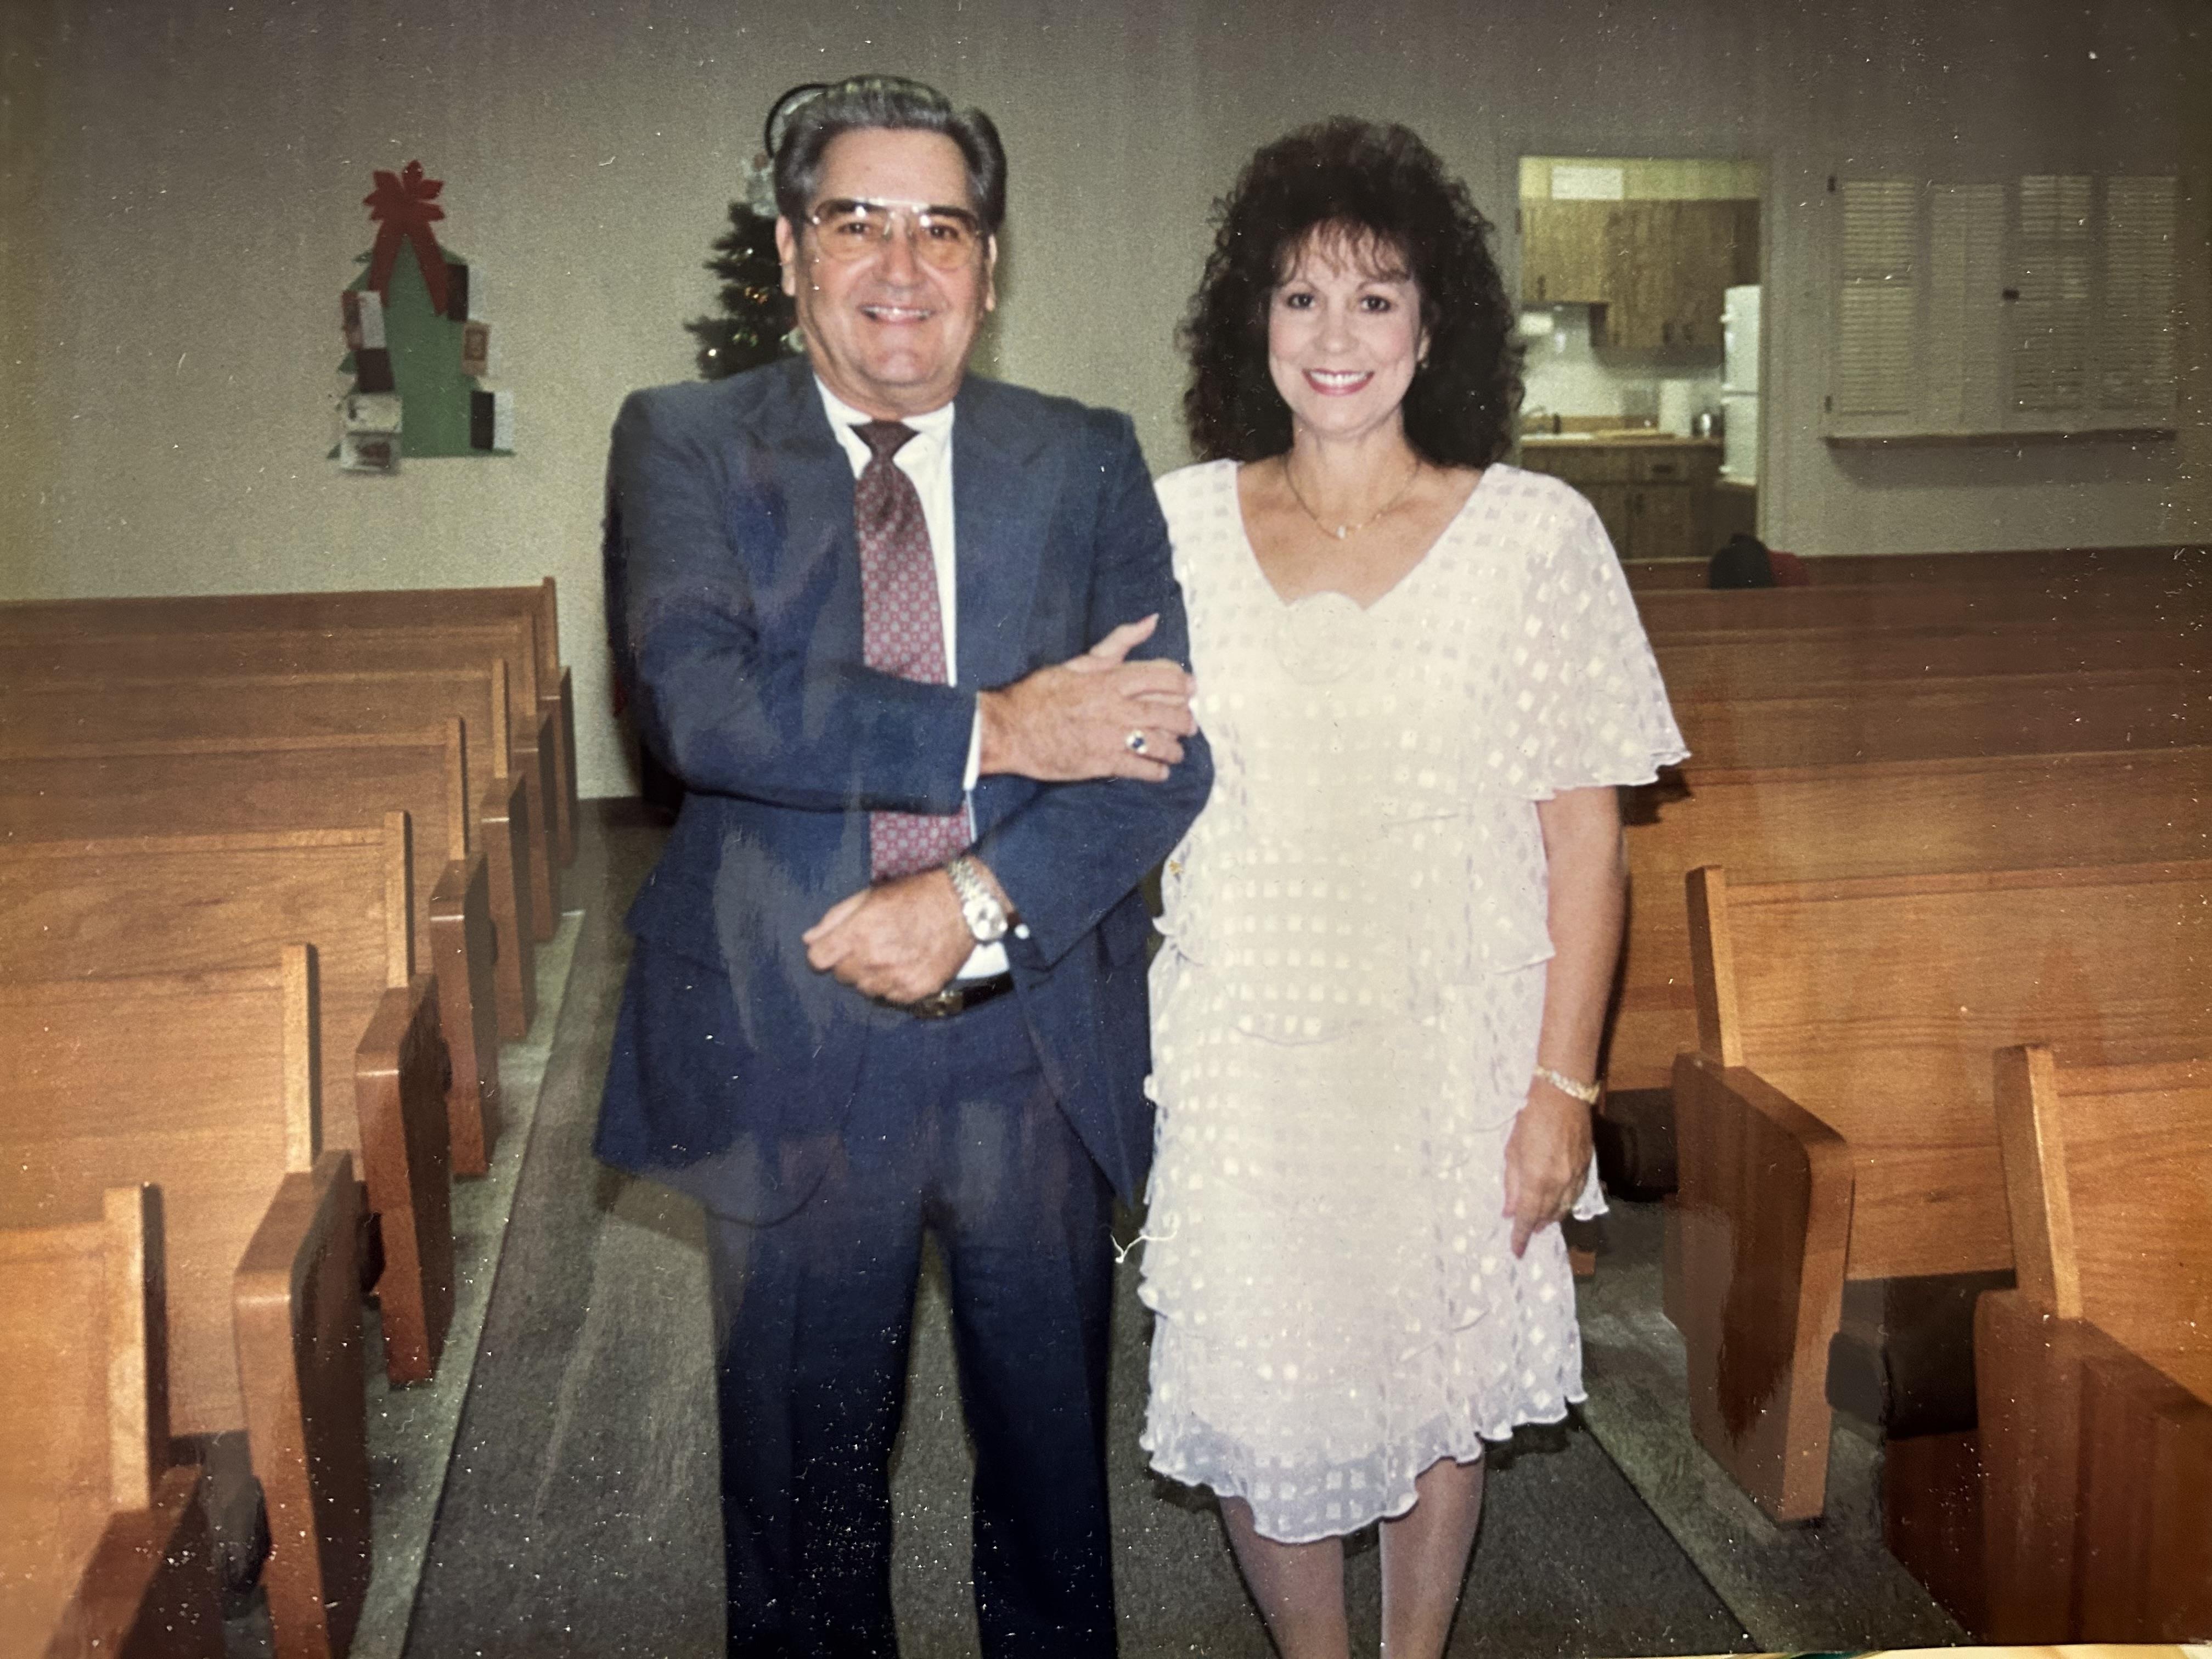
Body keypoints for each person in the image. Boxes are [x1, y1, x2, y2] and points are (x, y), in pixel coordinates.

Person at [595, 75, 1212, 1658]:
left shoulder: (1081, 459)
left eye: (944, 227)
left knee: (1053, 1502)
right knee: (806, 1509)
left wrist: (972, 907)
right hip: (794, 1032)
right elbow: (700, 701)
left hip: (1029, 1042)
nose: (903, 263)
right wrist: (1000, 725)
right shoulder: (683, 440)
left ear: (991, 270)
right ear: (794, 251)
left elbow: (1164, 749)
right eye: (858, 220)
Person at [1138, 119, 1686, 1659]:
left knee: (1439, 1372)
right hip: (1253, 1041)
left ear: (1433, 325)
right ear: (1254, 318)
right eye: (1302, 296)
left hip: (1455, 1039)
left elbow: (1588, 840)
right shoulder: (1174, 527)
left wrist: (1561, 1090)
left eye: (1376, 298)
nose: (1336, 337)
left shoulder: (1535, 538)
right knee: (1262, 1377)